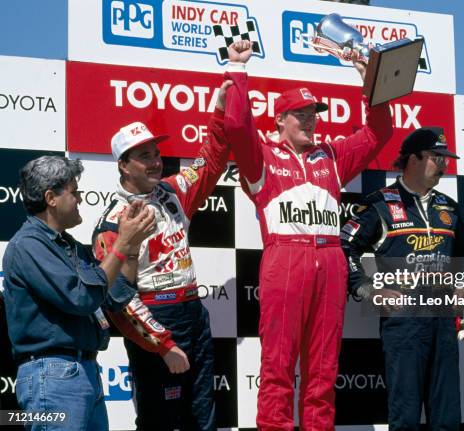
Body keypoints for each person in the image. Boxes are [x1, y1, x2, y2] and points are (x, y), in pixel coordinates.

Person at [222, 40, 393, 430]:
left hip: (330, 260)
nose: (310, 120)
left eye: (313, 113)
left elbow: (380, 130)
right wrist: (237, 68)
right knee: (278, 369)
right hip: (285, 259)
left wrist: (369, 83)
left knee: (322, 374)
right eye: (299, 114)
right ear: (280, 121)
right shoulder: (262, 156)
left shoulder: (331, 157)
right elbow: (235, 125)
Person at [92, 86, 230, 430]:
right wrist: (162, 343)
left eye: (156, 153)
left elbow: (210, 162)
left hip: (194, 313)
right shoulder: (113, 222)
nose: (156, 161)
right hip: (156, 317)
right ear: (123, 166)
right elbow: (118, 298)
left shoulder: (172, 191)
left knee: (203, 414)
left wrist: (220, 113)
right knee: (161, 420)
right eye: (144, 156)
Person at [3, 156, 155, 431]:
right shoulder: (27, 245)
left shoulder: (69, 246)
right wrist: (121, 242)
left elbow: (115, 295)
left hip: (83, 371)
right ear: (51, 198)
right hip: (52, 376)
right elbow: (81, 298)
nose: (81, 199)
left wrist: (131, 246)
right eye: (74, 193)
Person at [341, 127, 464, 430]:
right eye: (437, 157)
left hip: (443, 319)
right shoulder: (379, 204)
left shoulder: (449, 207)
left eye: (446, 159)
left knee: (447, 417)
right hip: (404, 321)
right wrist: (365, 288)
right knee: (405, 417)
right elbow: (344, 246)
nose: (443, 165)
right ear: (413, 159)